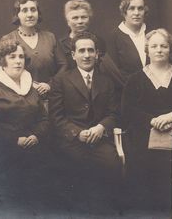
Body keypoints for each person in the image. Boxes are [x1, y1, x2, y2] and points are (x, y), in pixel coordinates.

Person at [121, 28, 172, 210]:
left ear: (170, 49)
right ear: (147, 50)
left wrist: (171, 116)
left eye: (163, 46)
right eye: (154, 46)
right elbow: (128, 110)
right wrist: (152, 120)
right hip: (145, 140)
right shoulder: (135, 80)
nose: (159, 50)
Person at [48, 32, 122, 212]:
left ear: (97, 54)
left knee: (112, 165)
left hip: (100, 139)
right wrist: (77, 133)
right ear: (73, 55)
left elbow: (114, 113)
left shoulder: (107, 81)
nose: (86, 55)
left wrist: (101, 127)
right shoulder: (61, 81)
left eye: (91, 50)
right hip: (72, 141)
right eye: (81, 51)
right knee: (73, 170)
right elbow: (56, 117)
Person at [0, 38, 52, 206]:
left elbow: (44, 118)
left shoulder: (31, 89)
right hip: (3, 152)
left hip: (35, 148)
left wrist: (36, 136)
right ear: (3, 61)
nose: (18, 61)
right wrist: (14, 139)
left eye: (21, 57)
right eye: (12, 57)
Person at [0, 0, 67, 98]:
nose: (30, 14)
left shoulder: (50, 37)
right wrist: (27, 85)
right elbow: (1, 70)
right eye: (24, 10)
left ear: (38, 13)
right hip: (21, 98)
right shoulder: (8, 39)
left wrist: (50, 85)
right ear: (17, 15)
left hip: (51, 97)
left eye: (33, 10)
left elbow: (64, 65)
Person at [59, 0, 124, 87]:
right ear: (68, 21)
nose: (80, 21)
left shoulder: (99, 42)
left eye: (84, 17)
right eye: (75, 18)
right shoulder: (60, 45)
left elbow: (106, 70)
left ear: (89, 19)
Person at [105, 0, 150, 81]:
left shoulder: (152, 33)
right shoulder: (114, 37)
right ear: (124, 11)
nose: (136, 13)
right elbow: (114, 72)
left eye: (140, 8)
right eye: (131, 8)